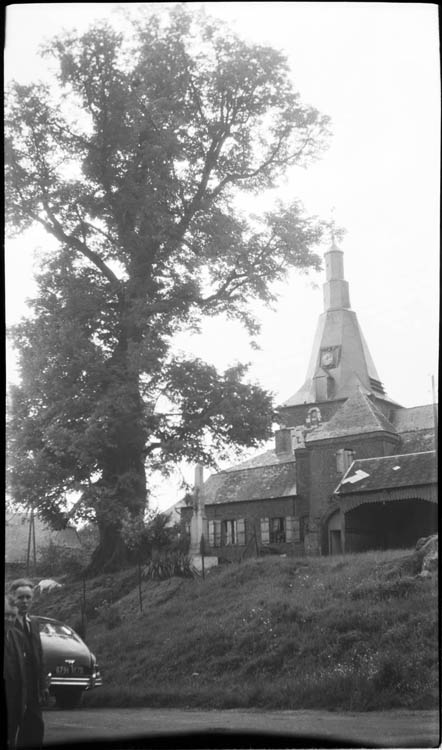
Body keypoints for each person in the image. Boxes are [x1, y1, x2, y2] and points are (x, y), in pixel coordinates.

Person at [9, 579, 49, 749]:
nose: (25, 601)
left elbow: (38, 654)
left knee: (35, 729)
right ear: (12, 599)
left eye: (28, 597)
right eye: (21, 597)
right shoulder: (8, 623)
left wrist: (44, 685)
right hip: (13, 687)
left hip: (32, 688)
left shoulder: (33, 623)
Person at [4, 595, 27, 749]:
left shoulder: (18, 636)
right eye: (6, 615)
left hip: (15, 699)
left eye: (13, 615)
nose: (10, 619)